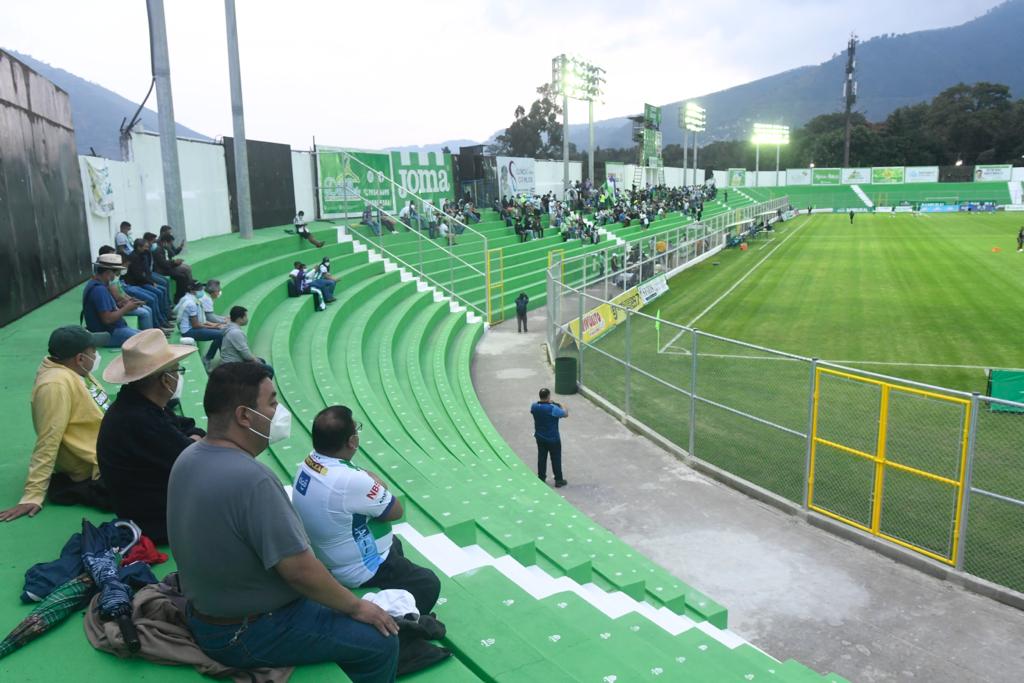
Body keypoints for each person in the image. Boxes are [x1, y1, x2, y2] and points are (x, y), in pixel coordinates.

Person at [167, 363, 399, 681]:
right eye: (272, 403)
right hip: (246, 632)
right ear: (245, 416)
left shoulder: (188, 456)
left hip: (209, 615)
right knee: (381, 642)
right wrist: (359, 608)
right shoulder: (253, 479)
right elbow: (300, 571)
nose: (279, 411)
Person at [292, 405, 441, 615]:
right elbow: (395, 511)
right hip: (358, 569)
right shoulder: (350, 481)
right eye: (357, 430)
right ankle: (402, 627)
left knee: (395, 545)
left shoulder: (310, 461)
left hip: (330, 557)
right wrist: (378, 483)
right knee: (427, 583)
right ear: (352, 442)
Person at [98, 329, 205, 542]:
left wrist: (193, 438)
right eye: (177, 370)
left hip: (150, 507)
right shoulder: (139, 420)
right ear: (166, 380)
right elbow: (194, 459)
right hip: (158, 522)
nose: (178, 376)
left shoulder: (138, 403)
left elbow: (190, 428)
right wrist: (193, 440)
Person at [0, 326, 114, 522]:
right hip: (97, 465)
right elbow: (49, 439)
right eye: (93, 351)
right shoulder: (55, 386)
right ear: (80, 358)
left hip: (109, 446)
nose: (96, 355)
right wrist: (33, 494)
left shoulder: (76, 371)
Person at [83, 253, 142, 348]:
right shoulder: (99, 290)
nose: (115, 277)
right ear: (107, 273)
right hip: (109, 334)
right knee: (147, 339)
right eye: (115, 273)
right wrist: (126, 308)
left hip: (112, 329)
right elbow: (107, 319)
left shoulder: (94, 284)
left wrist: (120, 305)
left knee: (148, 335)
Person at [177, 280, 226, 371]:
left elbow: (201, 320)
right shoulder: (191, 304)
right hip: (188, 331)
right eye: (199, 289)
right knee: (221, 334)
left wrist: (216, 325)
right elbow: (196, 325)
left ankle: (212, 358)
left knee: (220, 333)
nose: (202, 291)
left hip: (191, 328)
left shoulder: (190, 299)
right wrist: (214, 327)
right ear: (193, 291)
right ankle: (214, 359)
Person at [220, 306, 274, 377]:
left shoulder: (231, 328)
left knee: (262, 361)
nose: (247, 319)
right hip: (233, 366)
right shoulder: (236, 333)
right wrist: (258, 362)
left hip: (231, 362)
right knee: (269, 370)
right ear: (239, 319)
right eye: (245, 316)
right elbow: (246, 355)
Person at [530, 388, 568, 487]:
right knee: (556, 458)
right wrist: (563, 405)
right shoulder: (553, 408)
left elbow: (535, 410)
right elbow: (565, 414)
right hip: (553, 438)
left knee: (542, 457)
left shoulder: (534, 406)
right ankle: (558, 480)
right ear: (548, 396)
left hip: (540, 437)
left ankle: (541, 477)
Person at [154, 233, 193, 302]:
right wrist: (174, 262)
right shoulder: (158, 250)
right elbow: (163, 264)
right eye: (170, 243)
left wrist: (175, 262)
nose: (170, 245)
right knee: (181, 277)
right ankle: (178, 297)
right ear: (165, 242)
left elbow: (171, 255)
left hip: (167, 268)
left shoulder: (164, 248)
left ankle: (187, 290)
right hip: (162, 270)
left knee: (184, 275)